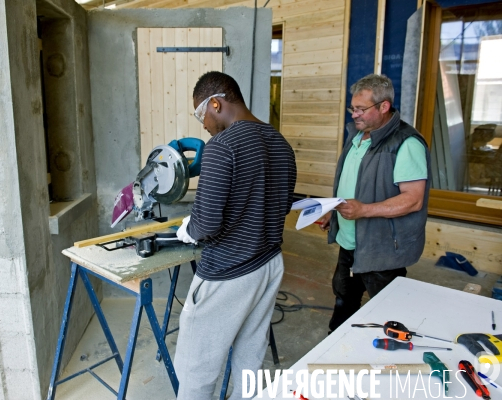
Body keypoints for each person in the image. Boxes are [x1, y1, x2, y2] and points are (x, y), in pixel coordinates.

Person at [174, 71, 297, 400]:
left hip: (228, 272)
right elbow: (280, 205)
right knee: (249, 357)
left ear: (216, 103)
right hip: (270, 263)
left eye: (202, 115)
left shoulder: (222, 147)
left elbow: (207, 223)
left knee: (195, 366)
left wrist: (189, 229)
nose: (203, 125)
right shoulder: (281, 144)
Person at [317, 74, 431, 333]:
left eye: (361, 109)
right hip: (350, 243)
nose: (354, 115)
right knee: (344, 300)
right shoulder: (357, 136)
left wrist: (364, 210)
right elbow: (354, 184)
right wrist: (333, 213)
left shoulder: (406, 143)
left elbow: (413, 200)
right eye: (352, 108)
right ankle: (338, 350)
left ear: (384, 106)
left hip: (382, 249)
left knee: (387, 313)